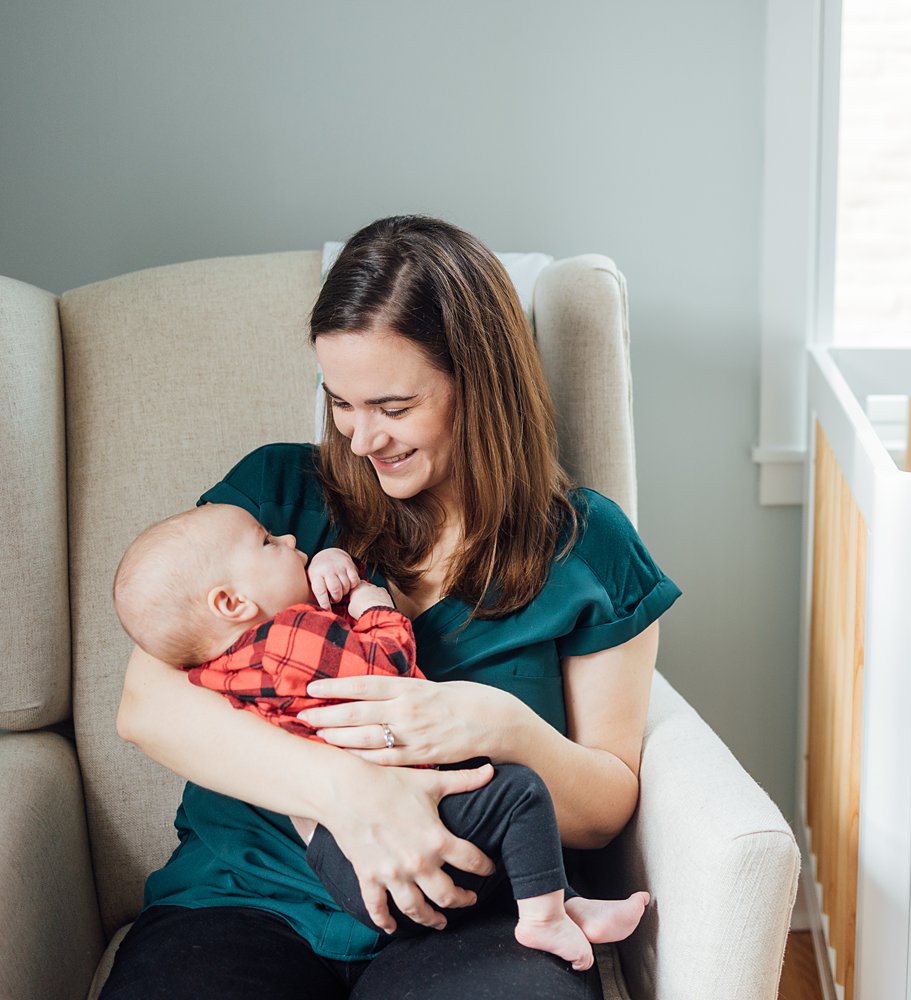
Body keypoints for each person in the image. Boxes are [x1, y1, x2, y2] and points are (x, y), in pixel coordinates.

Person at [103, 215, 680, 999]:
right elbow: (149, 705)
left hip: (475, 914)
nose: (361, 436)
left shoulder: (587, 544)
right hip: (243, 898)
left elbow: (604, 806)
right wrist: (350, 793)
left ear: (478, 385)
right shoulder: (272, 504)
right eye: (339, 401)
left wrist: (501, 726)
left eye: (394, 406)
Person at [110, 502, 652, 971]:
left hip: (342, 864)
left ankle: (561, 905)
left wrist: (321, 572)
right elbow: (383, 662)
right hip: (336, 873)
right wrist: (374, 606)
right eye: (269, 543)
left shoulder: (228, 662)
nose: (291, 539)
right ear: (231, 603)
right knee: (518, 794)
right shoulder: (291, 636)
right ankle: (546, 913)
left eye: (393, 407)